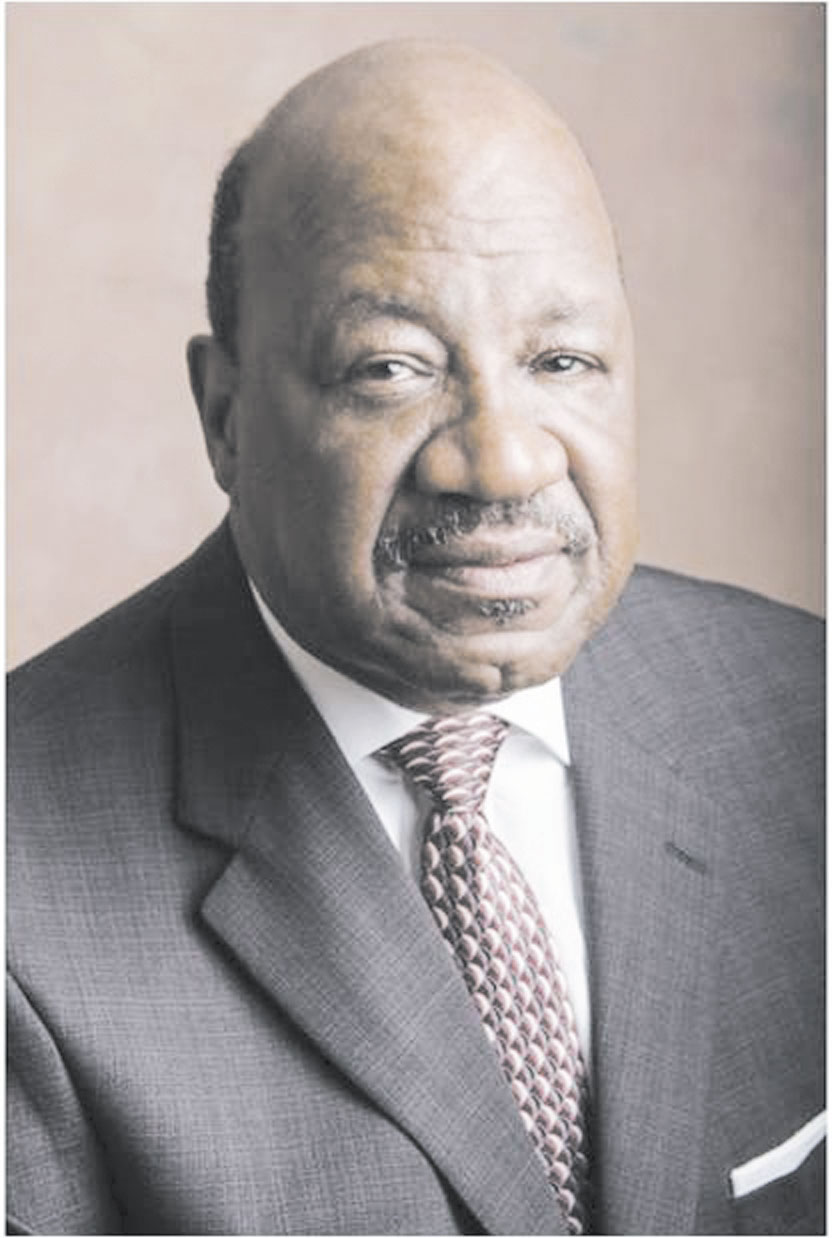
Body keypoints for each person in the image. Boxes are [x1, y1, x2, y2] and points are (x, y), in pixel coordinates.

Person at [7, 39, 823, 1237]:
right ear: (225, 415)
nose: (502, 459)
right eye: (390, 369)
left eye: (561, 360)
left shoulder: (802, 713)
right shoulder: (24, 898)